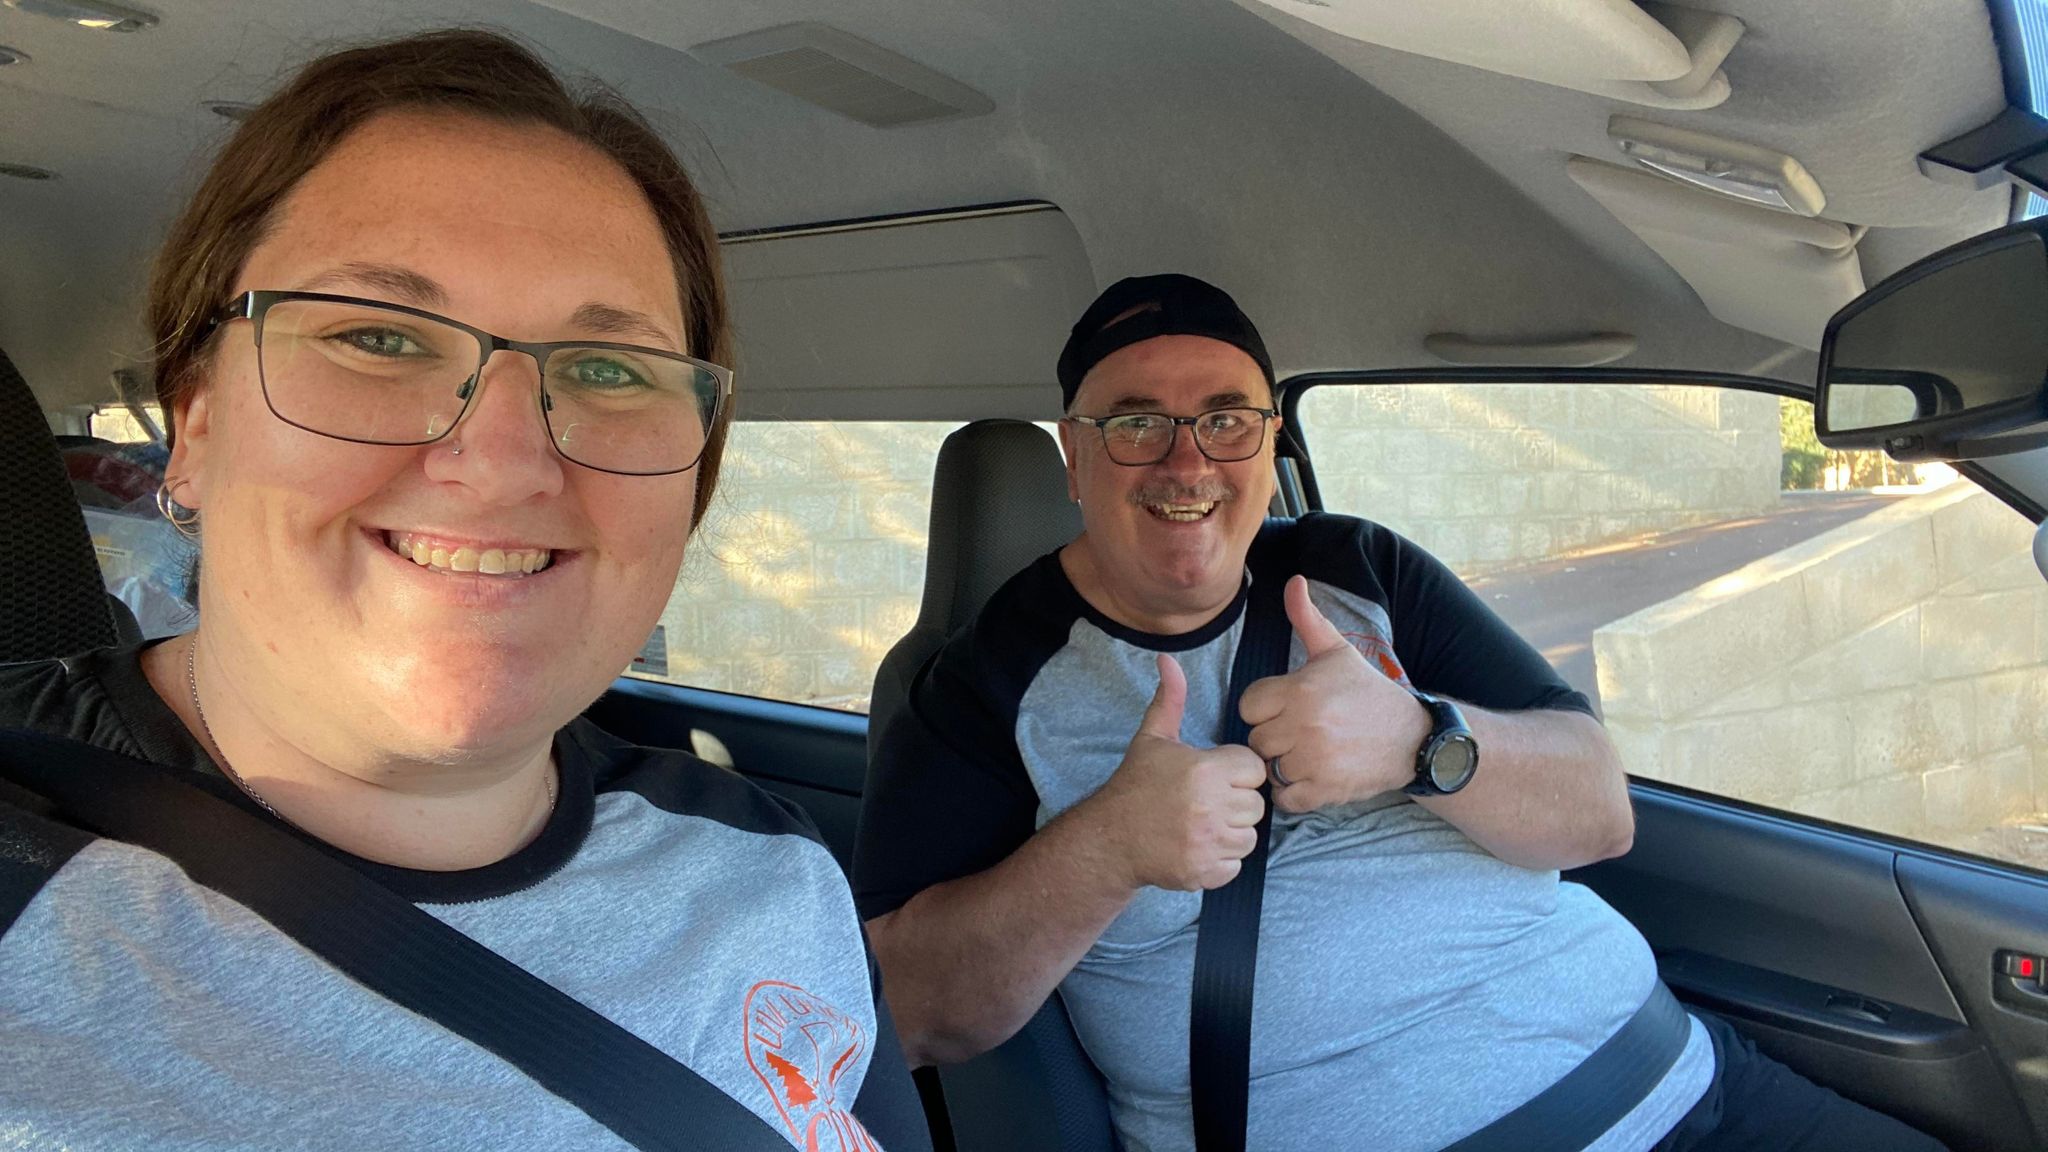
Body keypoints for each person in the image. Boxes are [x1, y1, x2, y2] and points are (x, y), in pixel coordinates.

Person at [0, 30, 925, 1151]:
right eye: (378, 337)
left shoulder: (768, 868)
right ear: (194, 427)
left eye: (606, 369)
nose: (500, 461)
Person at [853, 274, 1945, 1151]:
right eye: (1135, 421)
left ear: (1269, 441)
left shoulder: (1354, 567)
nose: (1186, 460)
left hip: (1688, 1089)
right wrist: (1107, 849)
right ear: (1073, 454)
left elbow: (1598, 813)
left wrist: (1424, 743)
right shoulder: (981, 683)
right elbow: (906, 1012)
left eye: (1225, 420)